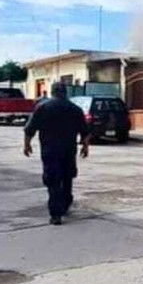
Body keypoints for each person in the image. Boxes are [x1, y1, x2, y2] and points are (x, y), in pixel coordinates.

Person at [23, 82, 90, 225]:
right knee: (67, 177)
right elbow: (85, 132)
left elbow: (30, 129)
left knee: (53, 180)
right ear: (65, 92)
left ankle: (56, 214)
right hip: (68, 150)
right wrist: (85, 146)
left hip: (50, 150)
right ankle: (65, 203)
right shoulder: (75, 109)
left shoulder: (43, 107)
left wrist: (27, 144)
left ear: (52, 92)